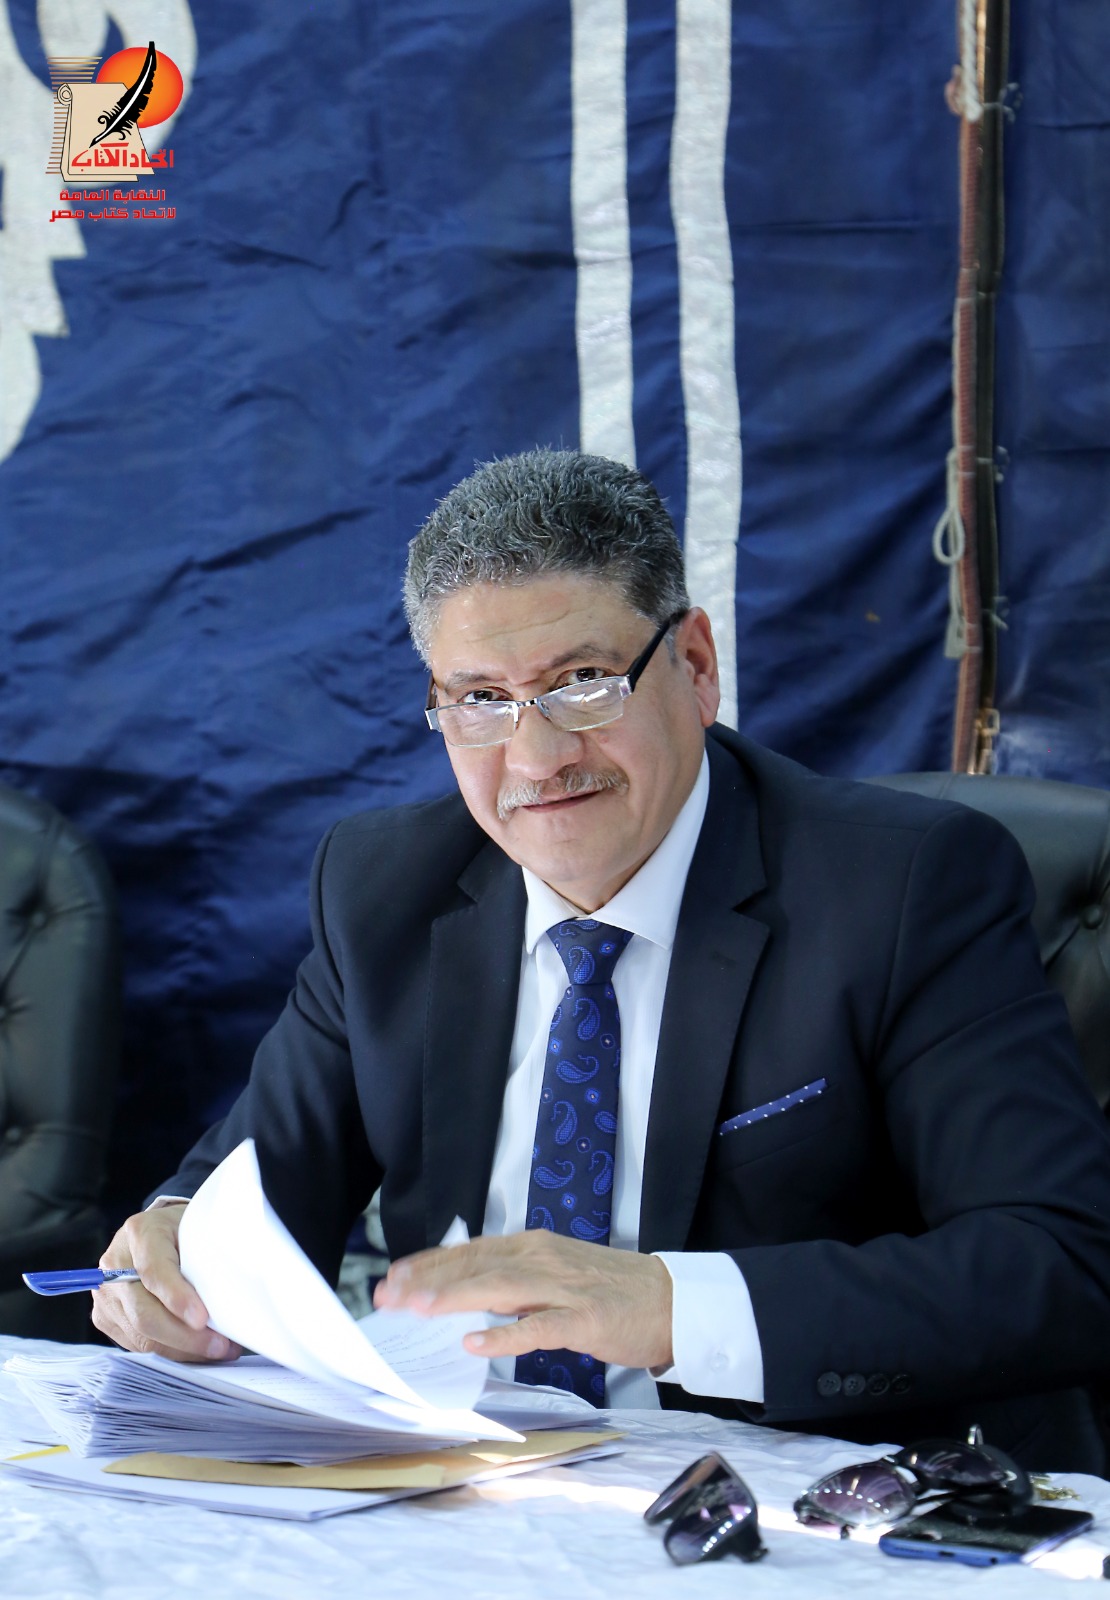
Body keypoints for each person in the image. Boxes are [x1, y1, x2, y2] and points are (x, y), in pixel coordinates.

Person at [94, 450, 1110, 1470]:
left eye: (581, 684)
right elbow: (258, 1180)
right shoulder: (382, 887)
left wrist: (670, 1306)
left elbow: (1058, 1265)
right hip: (466, 1483)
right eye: (480, 699)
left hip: (800, 1490)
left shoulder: (904, 886)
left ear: (696, 666)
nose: (536, 759)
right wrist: (182, 1250)